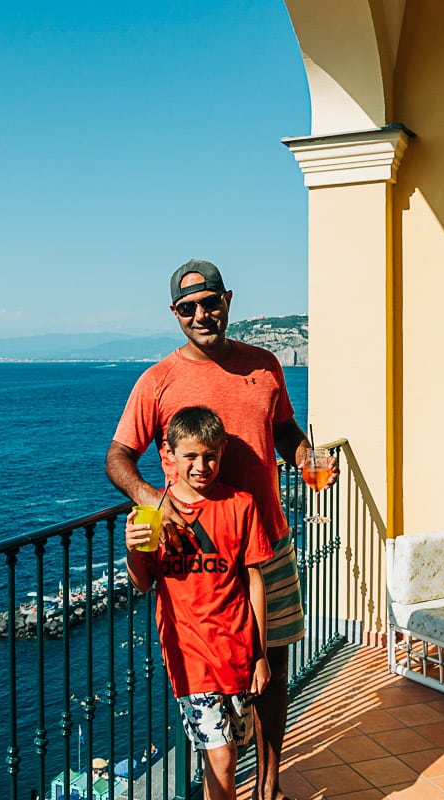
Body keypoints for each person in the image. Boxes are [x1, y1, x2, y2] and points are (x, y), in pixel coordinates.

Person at [107, 258, 337, 800]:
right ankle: (223, 784)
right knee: (210, 678)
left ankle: (269, 787)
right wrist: (152, 502)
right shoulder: (158, 380)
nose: (202, 314)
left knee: (271, 670)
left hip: (266, 541)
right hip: (196, 555)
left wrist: (304, 454)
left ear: (228, 300)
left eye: (210, 302)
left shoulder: (265, 364)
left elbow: (283, 430)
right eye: (189, 308)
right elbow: (118, 457)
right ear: (175, 313)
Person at [124, 406, 273, 800]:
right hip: (189, 657)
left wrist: (259, 654)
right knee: (222, 757)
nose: (202, 466)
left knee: (225, 757)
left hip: (236, 651)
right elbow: (141, 583)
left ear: (222, 451)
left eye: (210, 456)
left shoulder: (241, 505)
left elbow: (253, 580)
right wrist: (133, 550)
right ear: (168, 455)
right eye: (190, 456)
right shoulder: (153, 513)